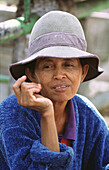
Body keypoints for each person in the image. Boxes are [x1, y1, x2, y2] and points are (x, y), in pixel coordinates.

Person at [0, 11, 109, 170]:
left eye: (68, 65)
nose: (59, 75)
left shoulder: (87, 114)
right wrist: (46, 113)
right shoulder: (11, 114)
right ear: (32, 74)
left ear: (83, 72)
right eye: (48, 66)